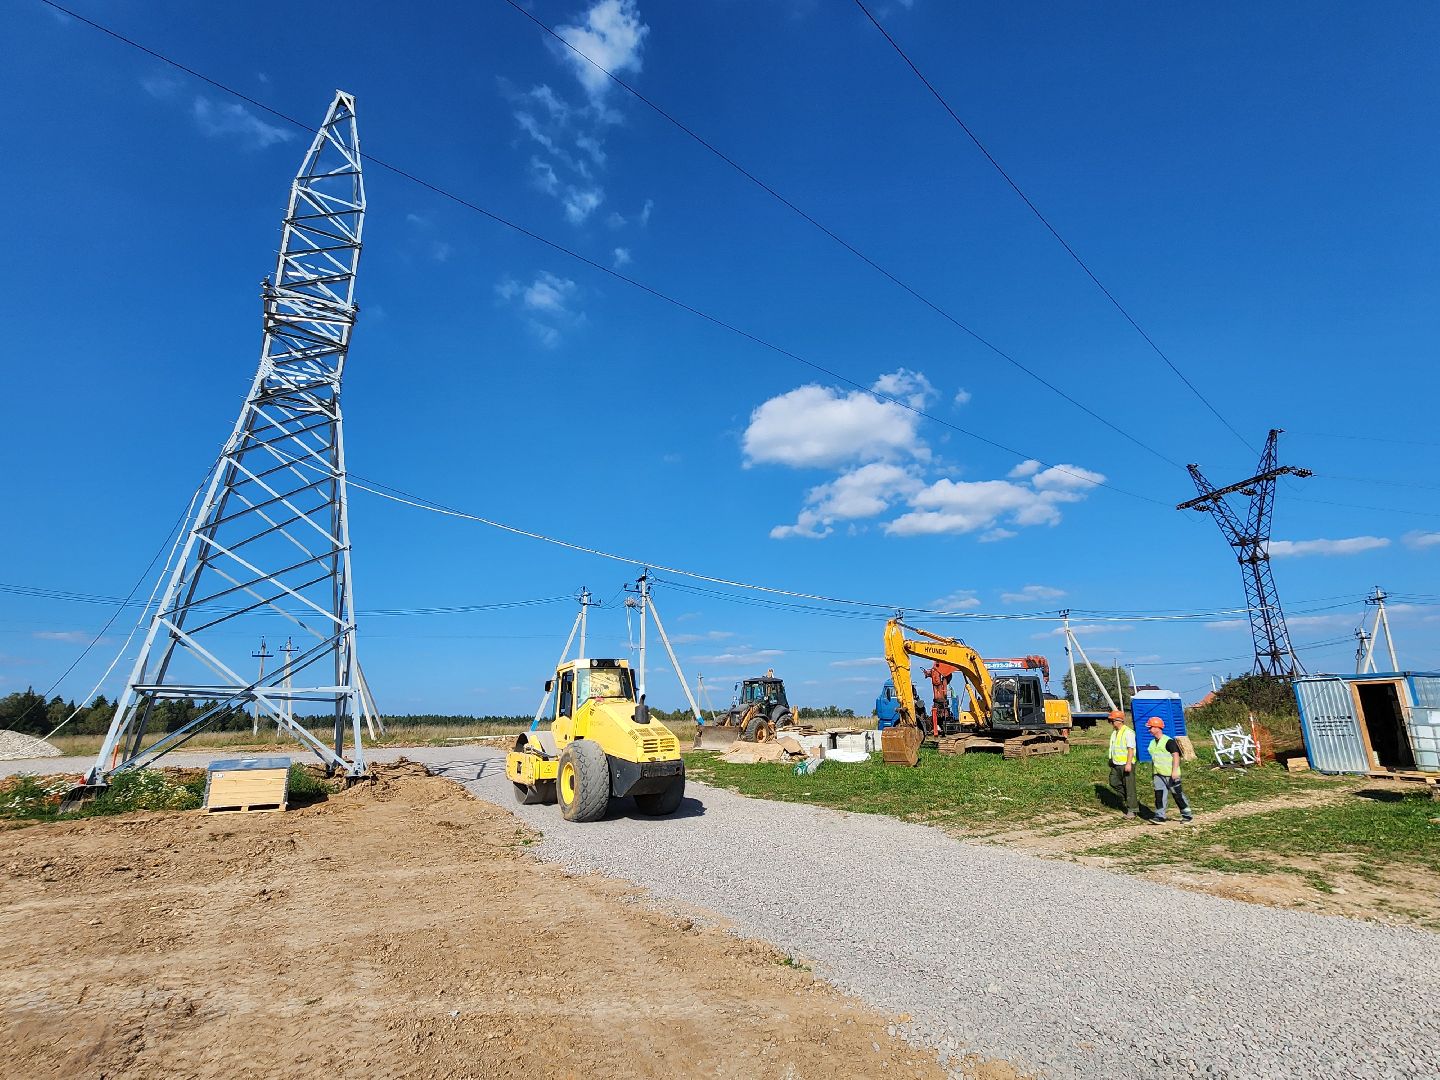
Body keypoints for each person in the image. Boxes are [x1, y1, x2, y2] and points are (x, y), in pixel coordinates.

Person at [1145, 715, 1193, 823]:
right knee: (1159, 795)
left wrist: (1175, 771)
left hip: (1171, 774)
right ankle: (1160, 816)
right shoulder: (1152, 743)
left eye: (1150, 727)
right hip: (1158, 773)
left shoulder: (1169, 741)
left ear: (1157, 728)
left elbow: (1176, 755)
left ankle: (1187, 815)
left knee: (1177, 795)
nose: (1149, 730)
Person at [1106, 711, 1137, 817]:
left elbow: (1131, 750)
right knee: (1113, 782)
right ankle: (1126, 797)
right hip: (1116, 763)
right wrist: (1111, 759)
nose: (1110, 723)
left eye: (1112, 721)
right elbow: (1113, 748)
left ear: (1118, 721)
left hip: (1126, 764)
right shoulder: (1114, 733)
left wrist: (1128, 764)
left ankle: (1132, 810)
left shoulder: (1128, 732)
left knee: (1130, 787)